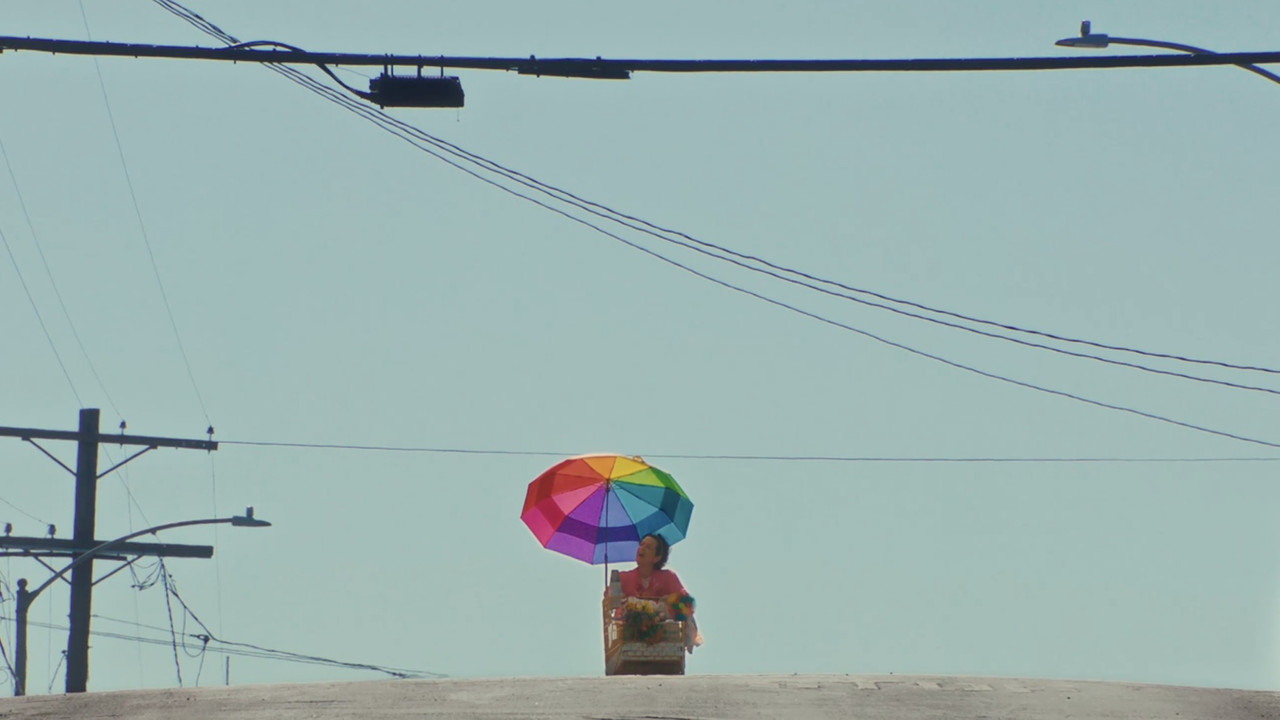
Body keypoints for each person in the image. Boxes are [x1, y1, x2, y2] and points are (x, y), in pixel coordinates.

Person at [615, 533, 703, 652]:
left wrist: (668, 602)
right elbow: (610, 601)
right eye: (642, 544)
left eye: (648, 547)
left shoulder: (668, 577)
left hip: (663, 639)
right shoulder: (623, 578)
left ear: (656, 557)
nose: (642, 548)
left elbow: (686, 603)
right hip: (630, 637)